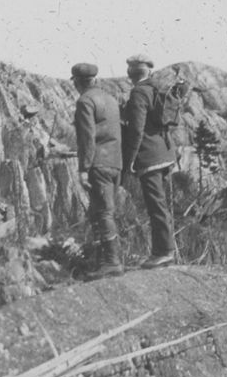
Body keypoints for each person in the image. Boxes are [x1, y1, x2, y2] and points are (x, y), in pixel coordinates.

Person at [122, 53, 176, 268]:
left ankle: (163, 251)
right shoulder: (155, 89)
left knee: (156, 205)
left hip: (149, 156)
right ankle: (165, 249)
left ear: (131, 73)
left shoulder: (138, 93)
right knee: (160, 203)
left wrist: (131, 159)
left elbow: (137, 130)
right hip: (164, 152)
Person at [71, 62, 124, 279]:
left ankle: (111, 262)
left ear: (77, 82)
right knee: (104, 211)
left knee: (102, 212)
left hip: (98, 164)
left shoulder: (85, 101)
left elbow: (87, 138)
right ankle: (104, 260)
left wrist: (84, 168)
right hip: (115, 163)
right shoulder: (110, 99)